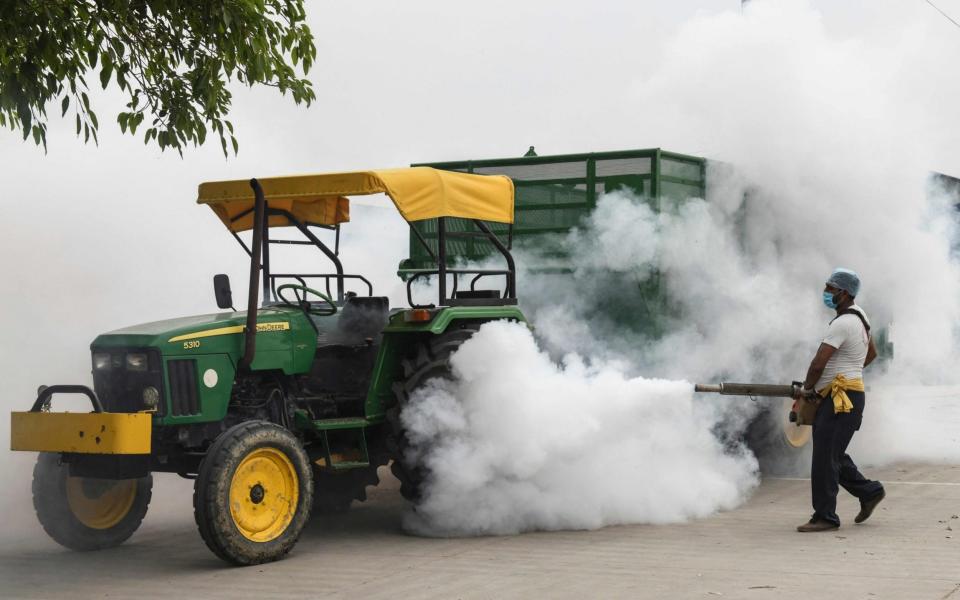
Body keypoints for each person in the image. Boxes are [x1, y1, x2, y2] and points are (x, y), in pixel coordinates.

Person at [794, 267, 885, 532]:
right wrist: (850, 373)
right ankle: (869, 492)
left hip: (840, 400)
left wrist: (807, 389)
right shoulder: (860, 317)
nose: (825, 293)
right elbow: (872, 353)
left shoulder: (843, 322)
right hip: (847, 396)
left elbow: (818, 362)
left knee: (825, 458)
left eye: (830, 289)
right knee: (831, 453)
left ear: (844, 293)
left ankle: (826, 517)